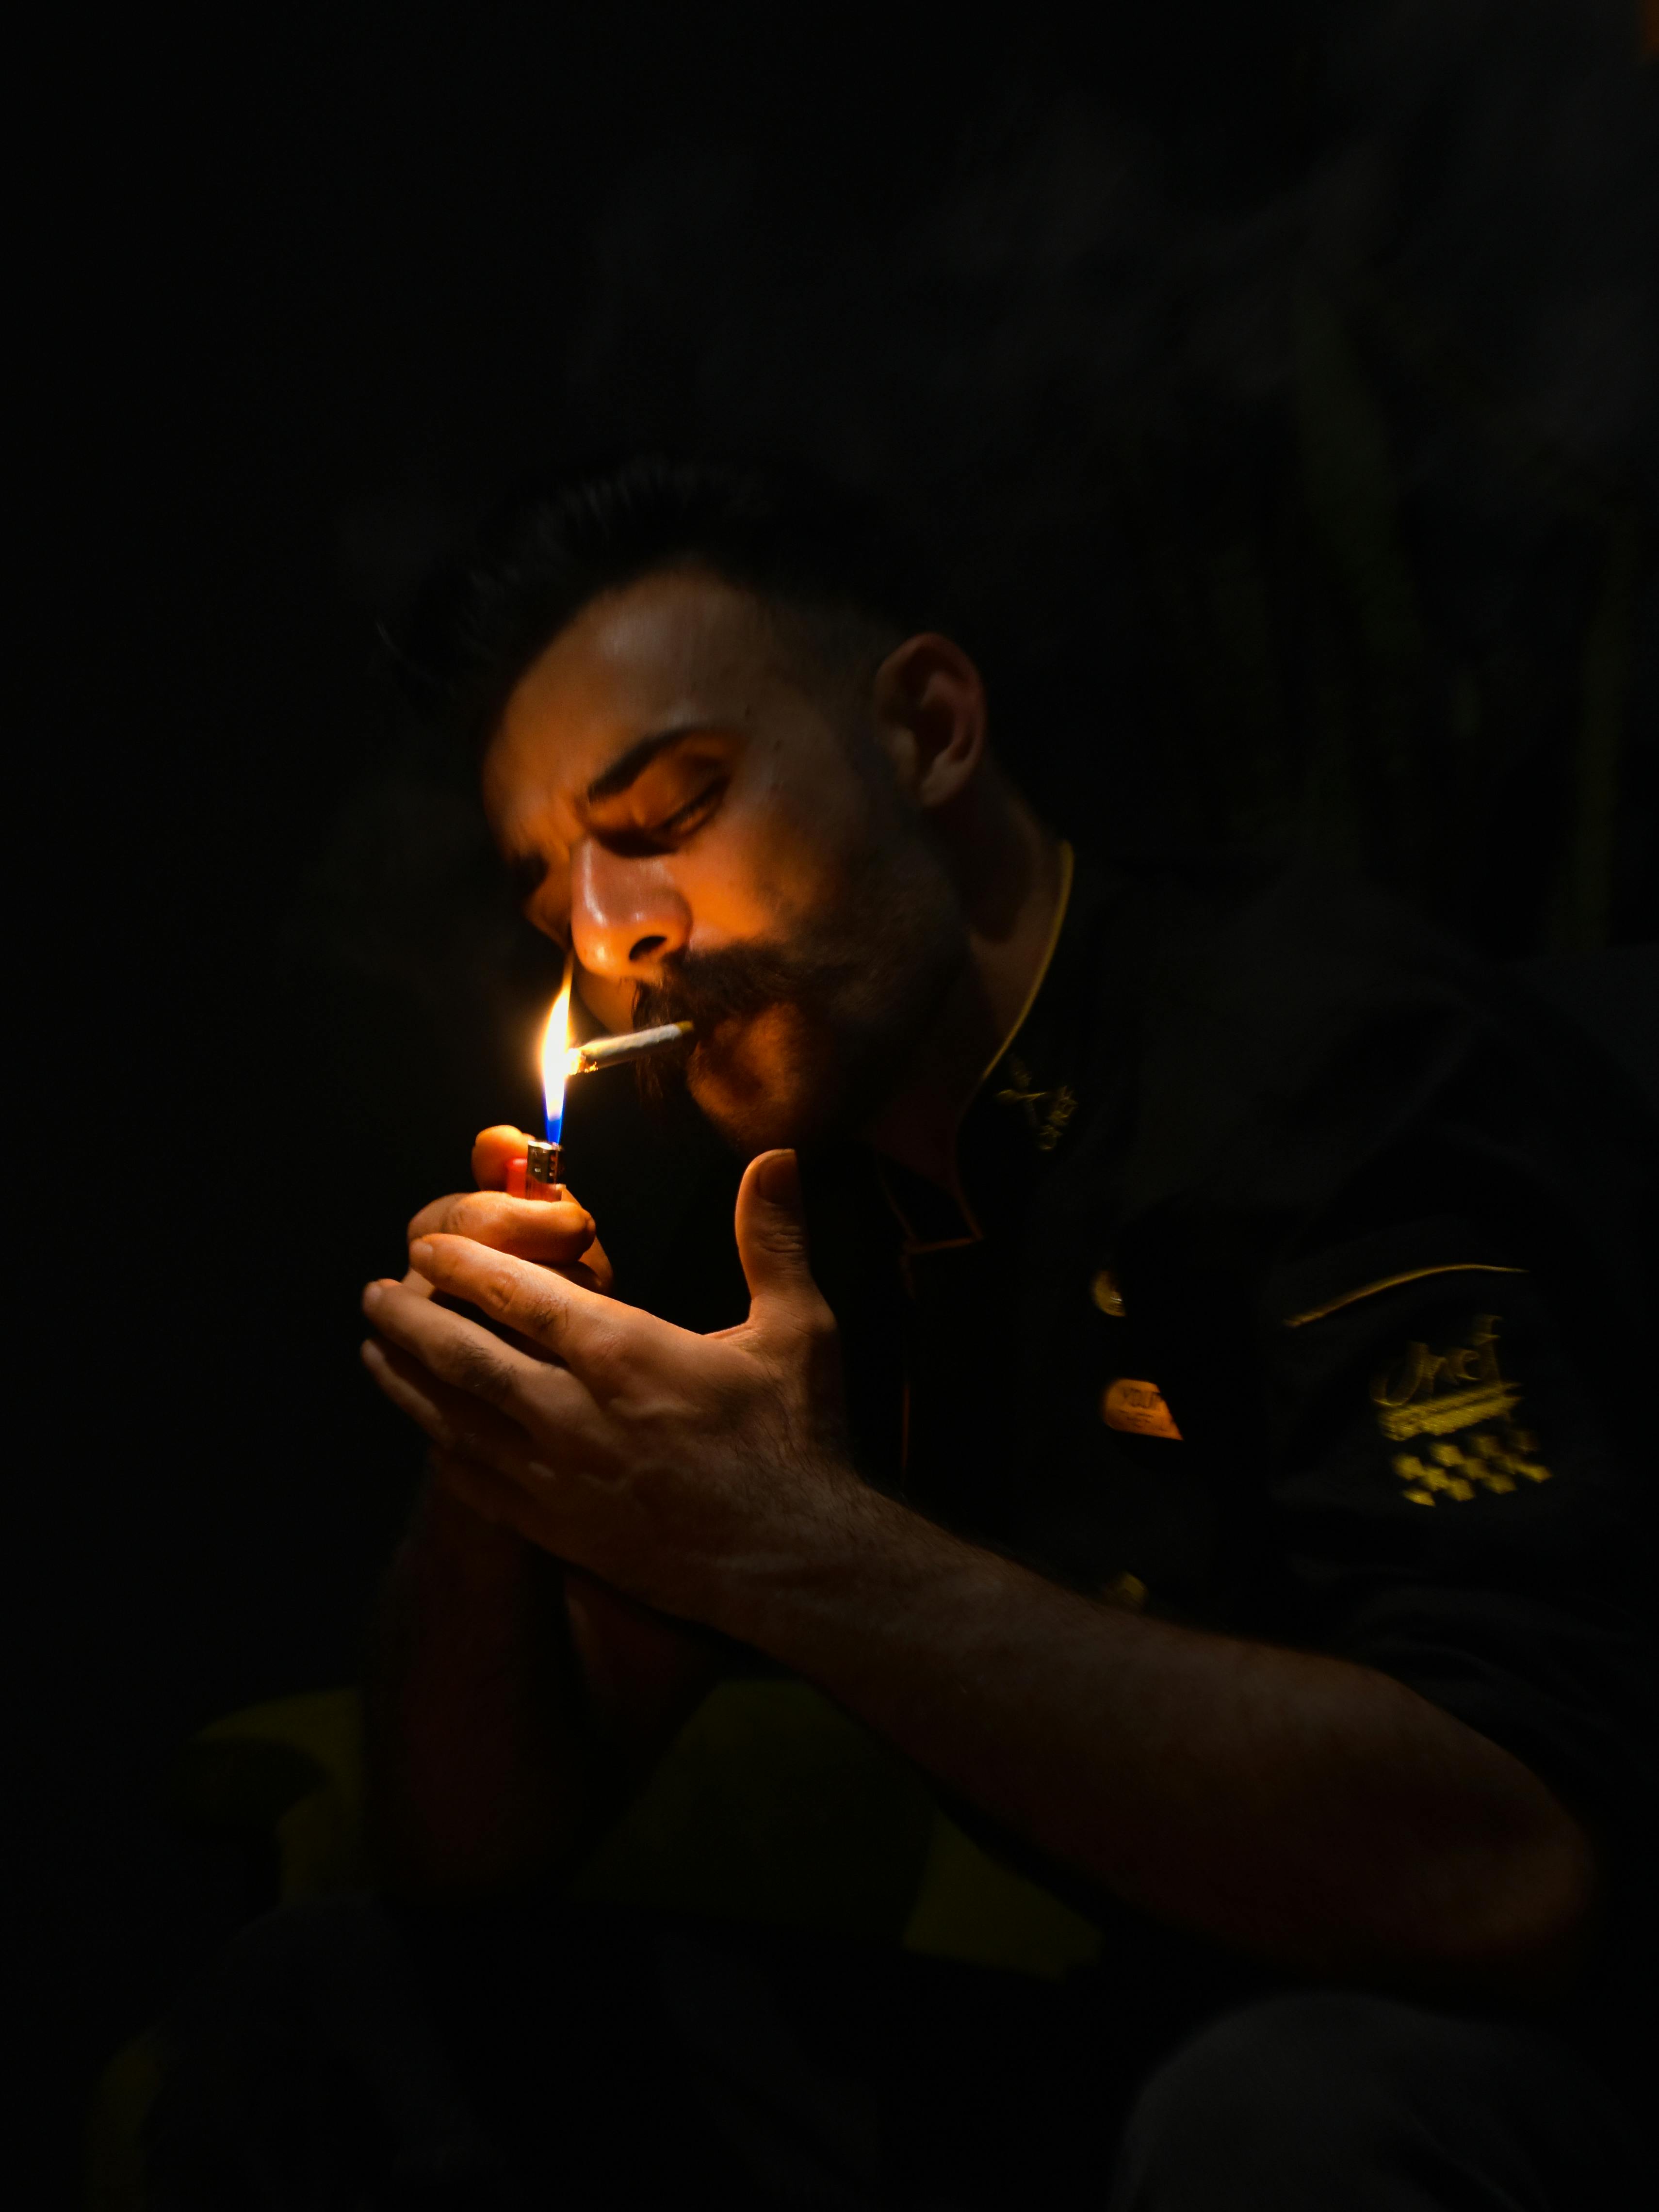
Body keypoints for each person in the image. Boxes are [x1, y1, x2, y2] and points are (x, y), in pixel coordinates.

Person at [149, 460, 1654, 2207]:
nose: (608, 935)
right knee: (330, 2012)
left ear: (928, 730)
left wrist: (782, 1541)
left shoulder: (1323, 1061)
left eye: (671, 804)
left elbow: (1516, 1874)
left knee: (1276, 2110)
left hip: (1526, 2068)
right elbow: (468, 1856)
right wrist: (501, 1452)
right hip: (1149, 2046)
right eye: (549, 881)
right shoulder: (789, 1182)